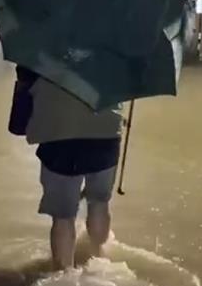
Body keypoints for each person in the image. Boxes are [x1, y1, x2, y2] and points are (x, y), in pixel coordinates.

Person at [11, 66, 123, 270]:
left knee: (63, 214)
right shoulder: (113, 40)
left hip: (59, 131)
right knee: (99, 201)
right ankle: (100, 260)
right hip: (107, 129)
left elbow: (25, 82)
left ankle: (64, 274)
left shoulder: (44, 42)